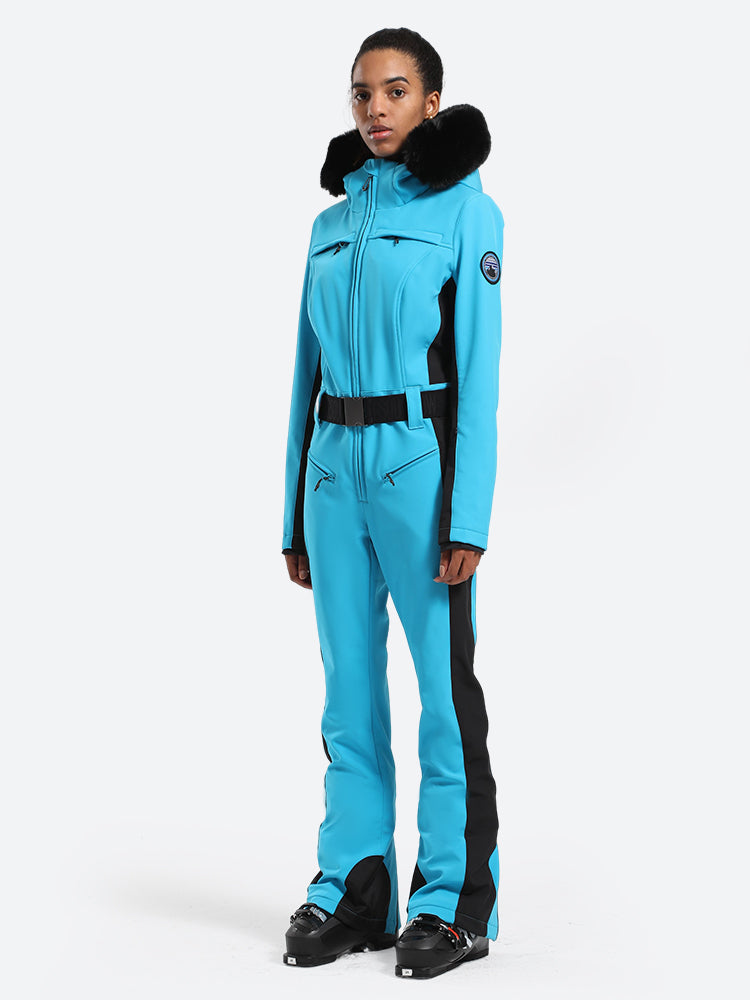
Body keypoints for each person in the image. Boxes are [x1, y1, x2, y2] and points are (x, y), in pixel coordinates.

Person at [280, 27, 504, 979]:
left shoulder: (467, 212)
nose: (374, 108)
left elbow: (480, 377)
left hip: (419, 467)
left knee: (443, 695)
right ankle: (355, 885)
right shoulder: (329, 226)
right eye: (362, 92)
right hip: (332, 473)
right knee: (348, 694)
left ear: (431, 103)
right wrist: (291, 513)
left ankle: (452, 900)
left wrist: (469, 518)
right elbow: (303, 373)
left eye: (396, 90)